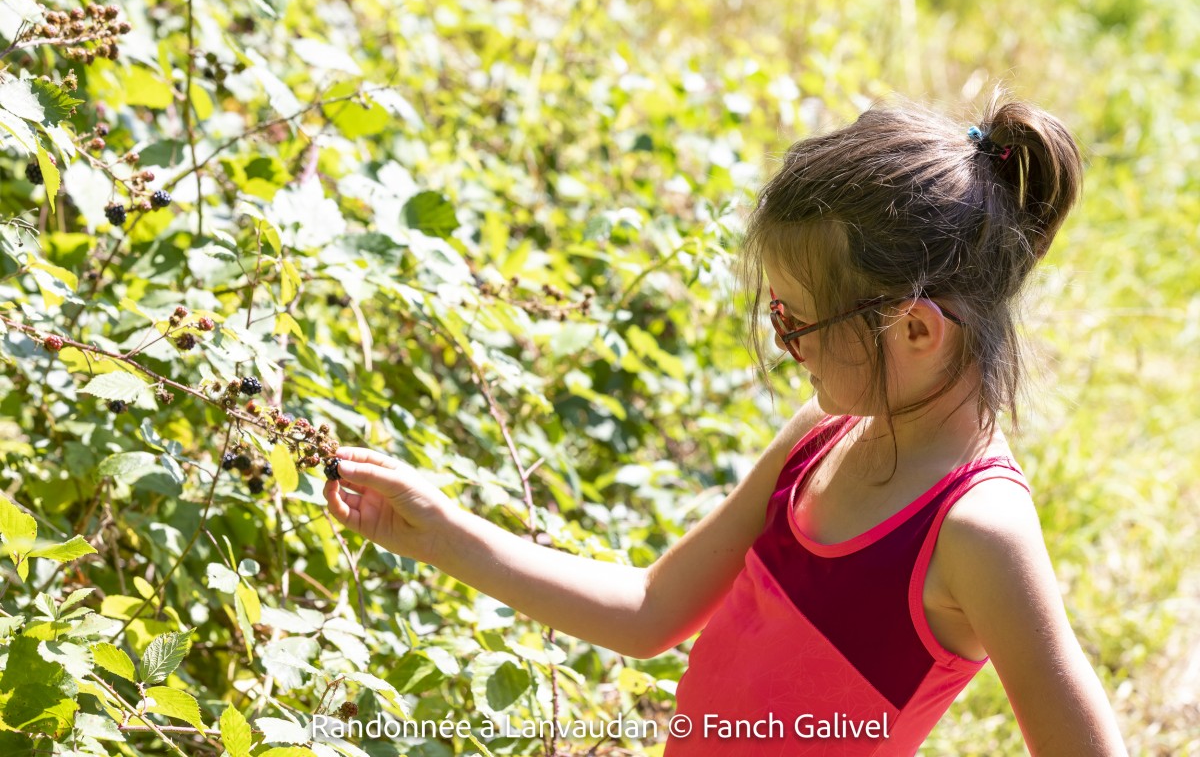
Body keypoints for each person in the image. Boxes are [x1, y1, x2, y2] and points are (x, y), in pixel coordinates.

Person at [322, 91, 1129, 755]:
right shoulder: (821, 437)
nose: (786, 346)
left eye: (797, 322)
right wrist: (440, 533)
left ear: (915, 330)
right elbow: (648, 611)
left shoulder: (976, 532)